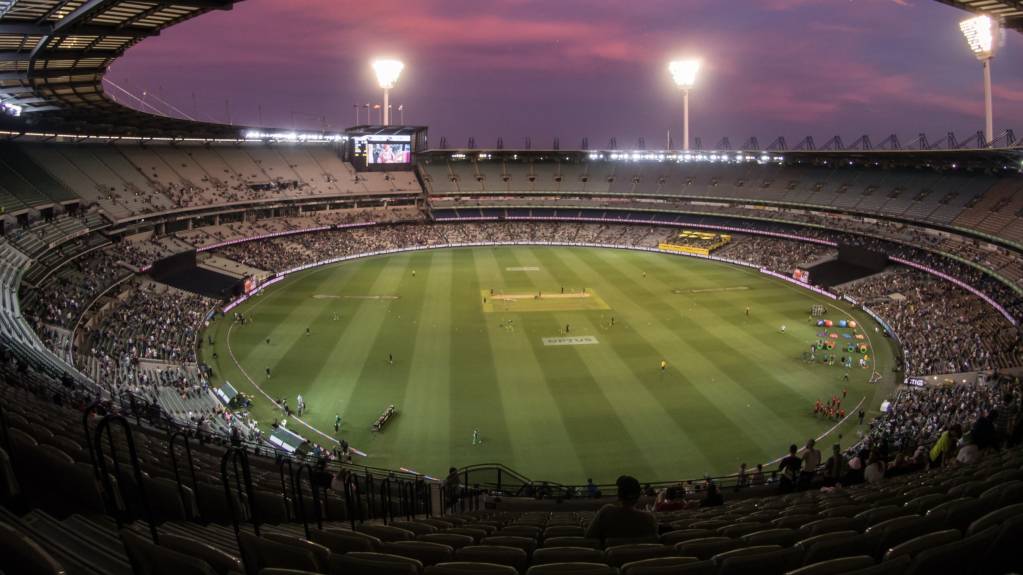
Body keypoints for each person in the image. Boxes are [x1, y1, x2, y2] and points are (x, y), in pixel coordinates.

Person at [584, 475, 658, 543]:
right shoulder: (649, 519)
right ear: (638, 497)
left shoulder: (606, 511)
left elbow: (588, 537)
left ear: (619, 496)